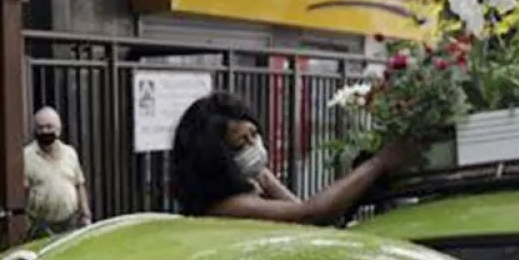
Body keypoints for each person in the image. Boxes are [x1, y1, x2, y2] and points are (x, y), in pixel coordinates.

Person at [169, 91, 417, 222]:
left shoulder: (247, 190)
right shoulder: (228, 206)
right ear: (217, 157)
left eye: (254, 135)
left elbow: (297, 208)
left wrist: (262, 177)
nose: (254, 146)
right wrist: (378, 162)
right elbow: (311, 215)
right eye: (242, 143)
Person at [24, 106, 92, 238]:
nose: (44, 131)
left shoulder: (70, 153)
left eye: (49, 127)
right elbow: (22, 192)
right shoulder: (26, 156)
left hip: (70, 222)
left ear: (58, 130)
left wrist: (85, 214)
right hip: (40, 225)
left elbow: (79, 184)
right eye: (40, 127)